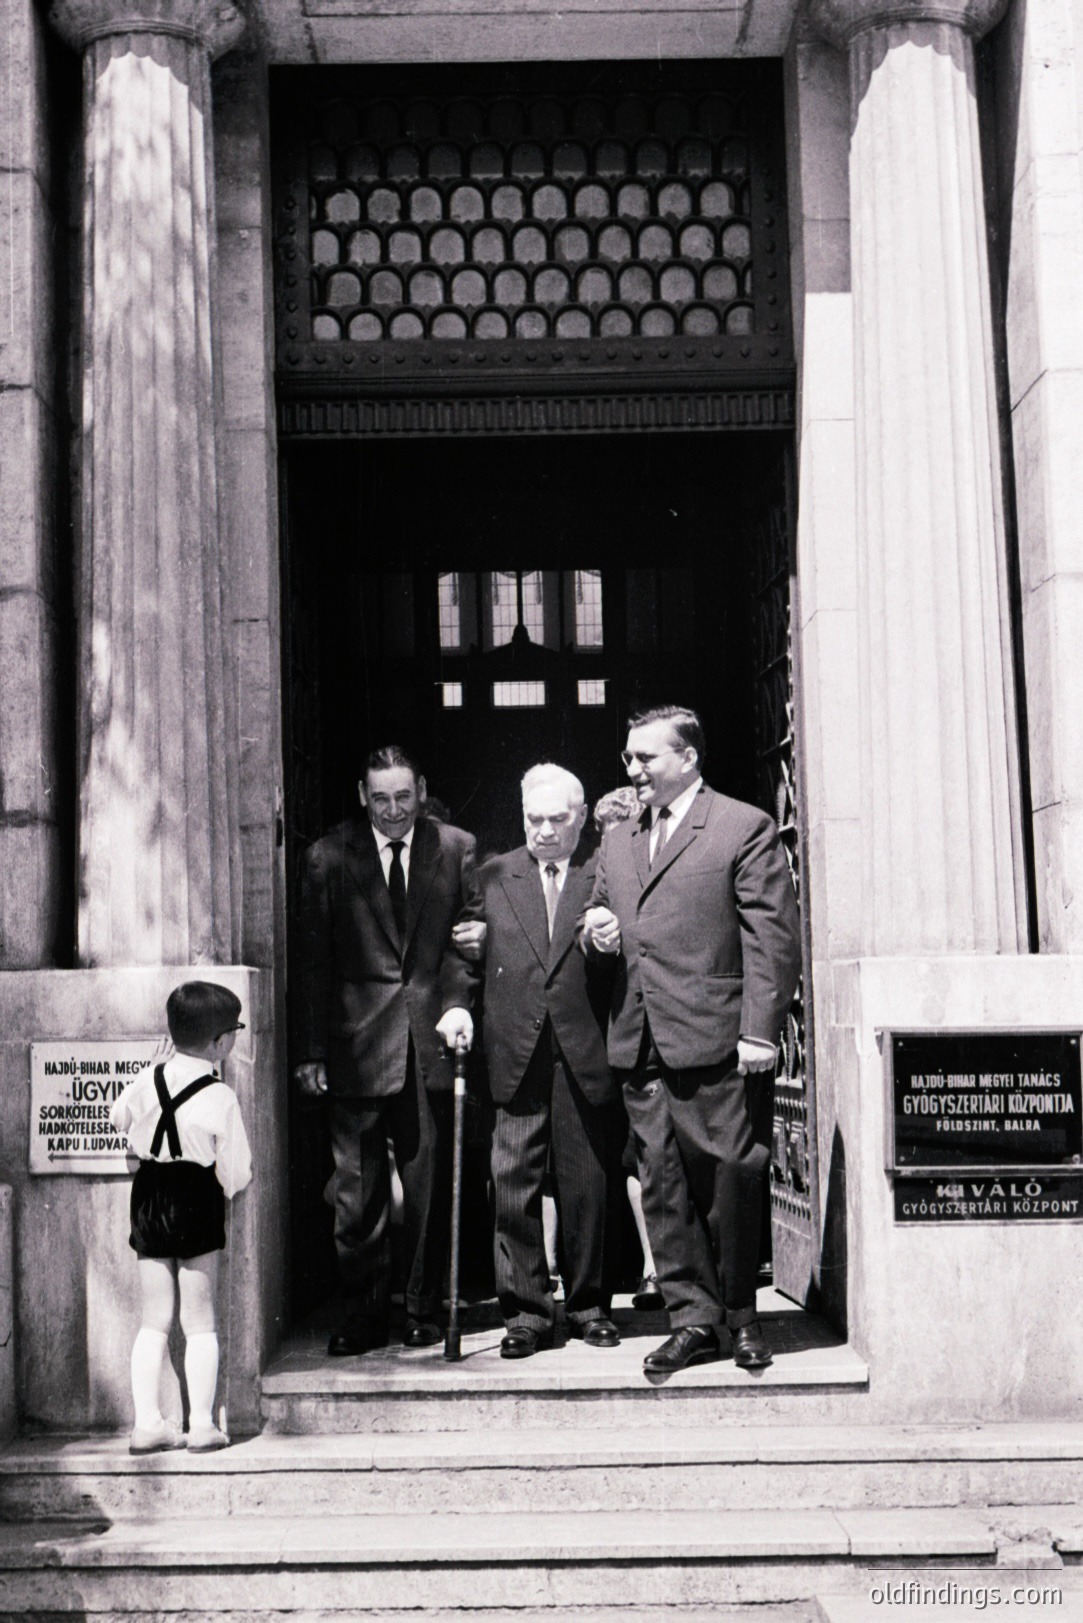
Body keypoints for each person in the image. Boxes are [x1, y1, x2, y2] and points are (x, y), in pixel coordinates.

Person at [582, 705, 801, 1375]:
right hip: (641, 1041)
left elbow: (772, 935)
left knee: (731, 1176)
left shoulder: (741, 826)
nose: (633, 770)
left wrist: (759, 1032)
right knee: (663, 1184)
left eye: (646, 757)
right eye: (627, 758)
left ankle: (740, 1316)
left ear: (688, 758)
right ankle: (692, 1320)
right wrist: (593, 932)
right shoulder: (617, 839)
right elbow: (596, 917)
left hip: (717, 1041)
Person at [295, 745, 481, 1355]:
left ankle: (425, 1310)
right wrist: (311, 1051)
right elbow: (314, 961)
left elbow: (466, 943)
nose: (394, 810)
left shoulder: (455, 848)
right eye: (381, 799)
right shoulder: (327, 857)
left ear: (421, 789)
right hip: (355, 1049)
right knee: (357, 1195)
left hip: (431, 1043)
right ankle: (365, 1315)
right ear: (361, 796)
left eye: (404, 797)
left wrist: (456, 1002)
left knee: (427, 1189)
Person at [477, 764, 621, 1358]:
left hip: (583, 1052)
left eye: (557, 820)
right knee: (514, 1185)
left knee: (588, 1183)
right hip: (515, 1052)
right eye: (533, 819)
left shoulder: (604, 872)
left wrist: (607, 943)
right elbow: (464, 955)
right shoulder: (491, 875)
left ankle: (589, 1307)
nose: (543, 831)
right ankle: (526, 1314)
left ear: (582, 819)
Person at [110, 981, 252, 1455]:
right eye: (234, 1031)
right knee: (199, 1320)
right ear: (219, 1043)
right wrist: (229, 1189)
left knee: (155, 1319)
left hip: (149, 1194)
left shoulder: (146, 1079)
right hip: (196, 1198)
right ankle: (202, 1424)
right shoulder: (220, 1096)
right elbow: (236, 1170)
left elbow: (117, 1118)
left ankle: (147, 1422)